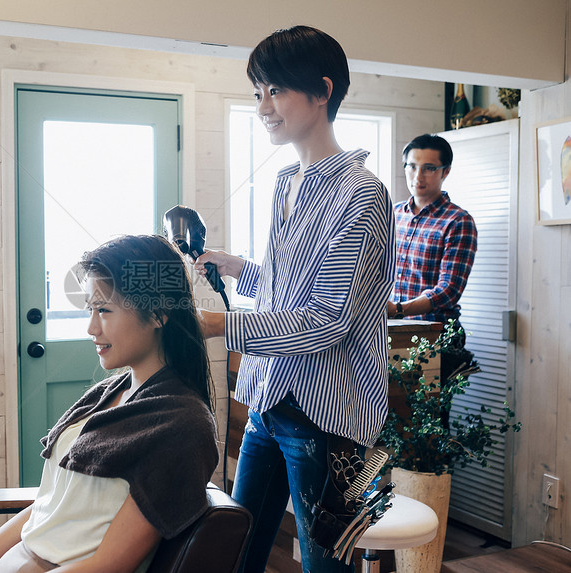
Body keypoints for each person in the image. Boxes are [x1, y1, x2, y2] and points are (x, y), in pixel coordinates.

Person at [194, 26, 395, 573]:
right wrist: (239, 269)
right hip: (266, 398)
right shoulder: (286, 182)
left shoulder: (363, 194)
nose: (263, 106)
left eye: (275, 90)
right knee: (235, 549)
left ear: (323, 90)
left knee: (328, 565)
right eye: (258, 92)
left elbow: (327, 320)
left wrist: (216, 325)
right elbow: (291, 289)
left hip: (327, 417)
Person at [0, 234, 218, 573]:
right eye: (90, 309)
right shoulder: (110, 393)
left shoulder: (180, 425)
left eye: (104, 310)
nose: (91, 327)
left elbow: (109, 565)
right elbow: (49, 505)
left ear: (159, 313)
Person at [387, 134, 477, 326]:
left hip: (435, 336)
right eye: (411, 166)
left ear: (445, 172)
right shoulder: (392, 214)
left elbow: (448, 290)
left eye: (429, 168)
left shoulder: (458, 221)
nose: (418, 176)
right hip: (389, 332)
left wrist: (397, 310)